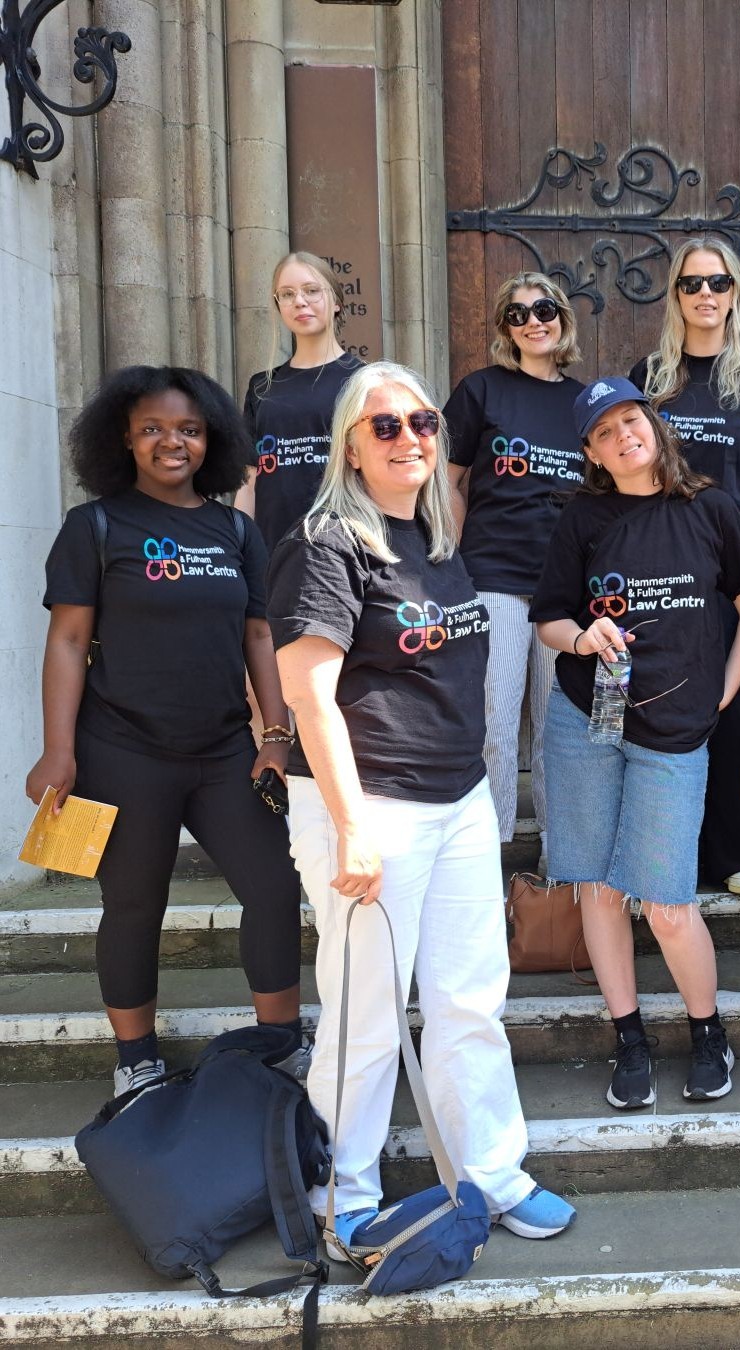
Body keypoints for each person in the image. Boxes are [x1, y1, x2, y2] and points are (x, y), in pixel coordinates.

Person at [268, 361, 574, 1250]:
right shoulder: (327, 543)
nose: (411, 438)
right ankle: (344, 1195)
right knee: (365, 1015)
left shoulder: (437, 544)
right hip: (372, 812)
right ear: (351, 447)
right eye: (386, 426)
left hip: (459, 801)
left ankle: (490, 1174)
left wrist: (475, 793)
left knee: (469, 1001)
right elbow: (308, 697)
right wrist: (353, 828)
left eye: (424, 423)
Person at [26, 365, 303, 1097]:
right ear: (124, 438)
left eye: (187, 429)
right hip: (122, 750)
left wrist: (274, 734)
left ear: (210, 438)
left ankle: (280, 1044)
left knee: (274, 887)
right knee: (135, 904)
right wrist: (58, 750)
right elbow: (65, 640)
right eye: (152, 428)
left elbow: (258, 635)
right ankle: (137, 1057)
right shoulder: (95, 527)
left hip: (221, 752)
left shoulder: (236, 530)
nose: (170, 442)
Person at [531, 377, 740, 1109]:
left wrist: (723, 691)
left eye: (630, 420)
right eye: (603, 432)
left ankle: (707, 1032)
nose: (621, 436)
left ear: (654, 426)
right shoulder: (583, 518)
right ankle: (627, 1037)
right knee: (600, 889)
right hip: (586, 719)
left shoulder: (711, 507)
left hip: (674, 728)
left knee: (666, 902)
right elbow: (547, 620)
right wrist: (582, 634)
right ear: (592, 453)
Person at [631, 238, 740, 897]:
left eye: (718, 283)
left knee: (733, 711)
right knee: (666, 707)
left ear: (736, 294)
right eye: (692, 283)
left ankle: (733, 855)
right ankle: (670, 854)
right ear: (675, 295)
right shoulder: (650, 378)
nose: (705, 294)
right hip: (663, 568)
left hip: (737, 572)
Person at [443, 272, 585, 859]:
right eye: (518, 314)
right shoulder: (481, 390)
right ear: (505, 327)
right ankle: (489, 855)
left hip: (566, 587)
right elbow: (447, 479)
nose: (534, 322)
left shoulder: (583, 401)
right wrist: (449, 561)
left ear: (563, 317)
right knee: (495, 729)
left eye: (545, 309)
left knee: (559, 735)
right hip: (494, 576)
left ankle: (563, 857)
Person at [236, 251, 363, 552]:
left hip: (345, 547)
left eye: (311, 290)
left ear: (336, 302)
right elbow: (250, 482)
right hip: (272, 549)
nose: (300, 301)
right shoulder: (262, 386)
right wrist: (241, 549)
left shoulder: (365, 380)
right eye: (287, 294)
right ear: (278, 305)